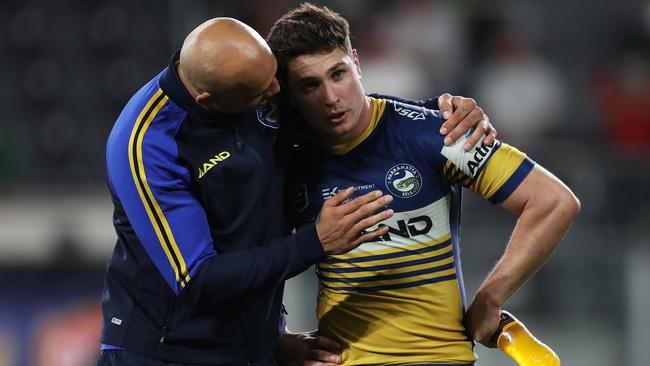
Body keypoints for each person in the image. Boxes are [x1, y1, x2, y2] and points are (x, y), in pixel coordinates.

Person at [99, 16, 494, 366]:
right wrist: (317, 241)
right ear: (210, 100)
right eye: (260, 92)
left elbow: (342, 115)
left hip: (254, 351)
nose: (275, 90)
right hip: (165, 353)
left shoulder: (249, 78)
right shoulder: (147, 144)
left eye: (274, 77)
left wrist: (433, 117)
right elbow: (199, 281)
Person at [266, 3, 581, 366]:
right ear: (289, 94)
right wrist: (277, 336)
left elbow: (554, 201)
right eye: (309, 86)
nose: (330, 97)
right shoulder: (287, 162)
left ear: (357, 61)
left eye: (338, 74)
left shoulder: (439, 132)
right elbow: (249, 257)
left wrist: (490, 298)